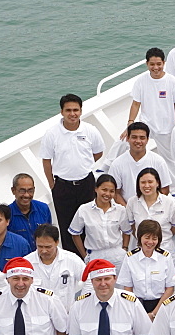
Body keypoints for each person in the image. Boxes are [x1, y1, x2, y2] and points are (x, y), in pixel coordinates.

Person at [117, 219, 175, 335]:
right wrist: (142, 313)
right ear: (139, 237)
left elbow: (169, 289)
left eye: (154, 238)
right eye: (147, 237)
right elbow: (127, 287)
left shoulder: (165, 257)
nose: (150, 242)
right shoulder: (130, 258)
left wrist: (155, 312)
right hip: (138, 306)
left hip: (161, 307)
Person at [40, 94, 105, 257]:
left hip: (86, 184)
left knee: (90, 223)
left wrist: (84, 165)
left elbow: (98, 152)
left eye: (76, 110)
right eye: (68, 110)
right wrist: (52, 184)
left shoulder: (90, 130)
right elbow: (46, 160)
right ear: (61, 112)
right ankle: (73, 259)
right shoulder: (52, 133)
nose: (72, 114)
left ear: (81, 111)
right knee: (67, 226)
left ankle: (91, 256)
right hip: (62, 186)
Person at [125, 47, 175, 169]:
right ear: (147, 64)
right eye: (152, 64)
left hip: (166, 128)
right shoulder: (141, 81)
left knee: (170, 160)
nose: (156, 67)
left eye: (159, 64)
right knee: (123, 141)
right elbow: (136, 104)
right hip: (147, 123)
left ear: (164, 63)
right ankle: (106, 166)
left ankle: (174, 185)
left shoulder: (173, 82)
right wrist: (130, 122)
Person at [70, 174, 129, 268]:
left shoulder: (120, 210)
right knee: (98, 282)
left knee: (119, 282)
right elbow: (75, 233)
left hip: (117, 256)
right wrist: (85, 256)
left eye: (111, 191)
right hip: (95, 255)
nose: (107, 194)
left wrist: (124, 249)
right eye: (104, 190)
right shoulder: (84, 209)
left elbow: (127, 231)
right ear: (96, 189)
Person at [108, 122, 174, 205]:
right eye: (134, 137)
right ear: (127, 138)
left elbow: (164, 189)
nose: (138, 141)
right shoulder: (117, 164)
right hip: (127, 213)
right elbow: (115, 192)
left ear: (147, 139)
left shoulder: (158, 161)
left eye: (142, 138)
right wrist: (128, 210)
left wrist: (150, 208)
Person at [123, 168, 175, 252]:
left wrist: (163, 237)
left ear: (157, 183)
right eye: (143, 182)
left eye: (150, 182)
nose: (146, 186)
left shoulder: (169, 202)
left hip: (164, 249)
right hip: (141, 250)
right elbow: (132, 226)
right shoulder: (132, 202)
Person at [8, 173, 52, 251]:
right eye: (22, 191)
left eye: (30, 191)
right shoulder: (7, 214)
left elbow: (50, 235)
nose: (27, 195)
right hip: (21, 259)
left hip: (42, 256)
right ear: (13, 190)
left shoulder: (43, 208)